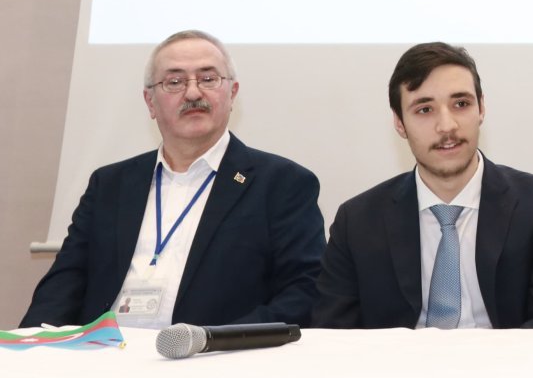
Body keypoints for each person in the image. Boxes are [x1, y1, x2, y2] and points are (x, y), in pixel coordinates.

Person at [21, 30, 324, 328]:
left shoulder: (283, 184)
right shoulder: (109, 184)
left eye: (208, 79)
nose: (193, 93)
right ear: (150, 102)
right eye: (175, 82)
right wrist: (30, 343)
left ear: (232, 94)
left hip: (211, 353)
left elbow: (303, 292)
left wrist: (214, 344)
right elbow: (64, 283)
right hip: (104, 351)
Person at [312, 42, 533, 329]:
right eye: (425, 109)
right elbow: (332, 334)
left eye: (461, 104)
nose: (447, 126)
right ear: (400, 123)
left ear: (481, 108)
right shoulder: (357, 221)